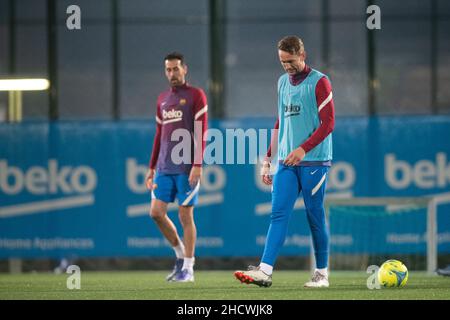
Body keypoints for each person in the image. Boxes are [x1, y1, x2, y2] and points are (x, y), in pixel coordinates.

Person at [234, 36, 335, 288]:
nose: (286, 66)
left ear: (303, 55)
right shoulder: (281, 83)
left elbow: (329, 123)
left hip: (314, 161)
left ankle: (321, 274)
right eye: (282, 62)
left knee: (315, 216)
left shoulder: (320, 82)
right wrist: (268, 158)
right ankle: (265, 270)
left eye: (290, 61)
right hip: (286, 163)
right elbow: (280, 123)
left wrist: (303, 149)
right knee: (278, 214)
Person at [146, 52, 208, 283]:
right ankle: (180, 255)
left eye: (175, 69)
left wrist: (198, 164)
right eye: (168, 70)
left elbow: (202, 131)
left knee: (185, 215)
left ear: (185, 69)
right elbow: (159, 134)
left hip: (186, 167)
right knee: (156, 213)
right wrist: (151, 166)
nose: (172, 73)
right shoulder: (162, 98)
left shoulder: (196, 95)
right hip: (164, 166)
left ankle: (189, 269)